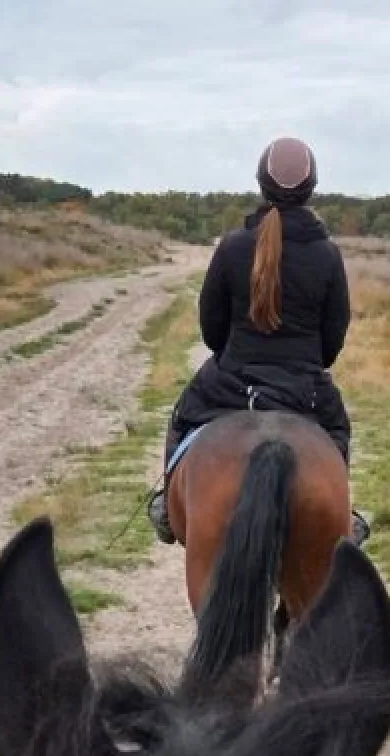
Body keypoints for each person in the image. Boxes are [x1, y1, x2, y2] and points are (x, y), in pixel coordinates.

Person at [148, 136, 369, 546]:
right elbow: (331, 344)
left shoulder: (232, 246)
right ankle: (344, 519)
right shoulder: (327, 255)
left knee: (184, 414)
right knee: (337, 430)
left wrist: (235, 356)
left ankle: (165, 506)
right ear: (311, 189)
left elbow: (212, 330)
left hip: (233, 379)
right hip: (304, 389)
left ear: (260, 186)